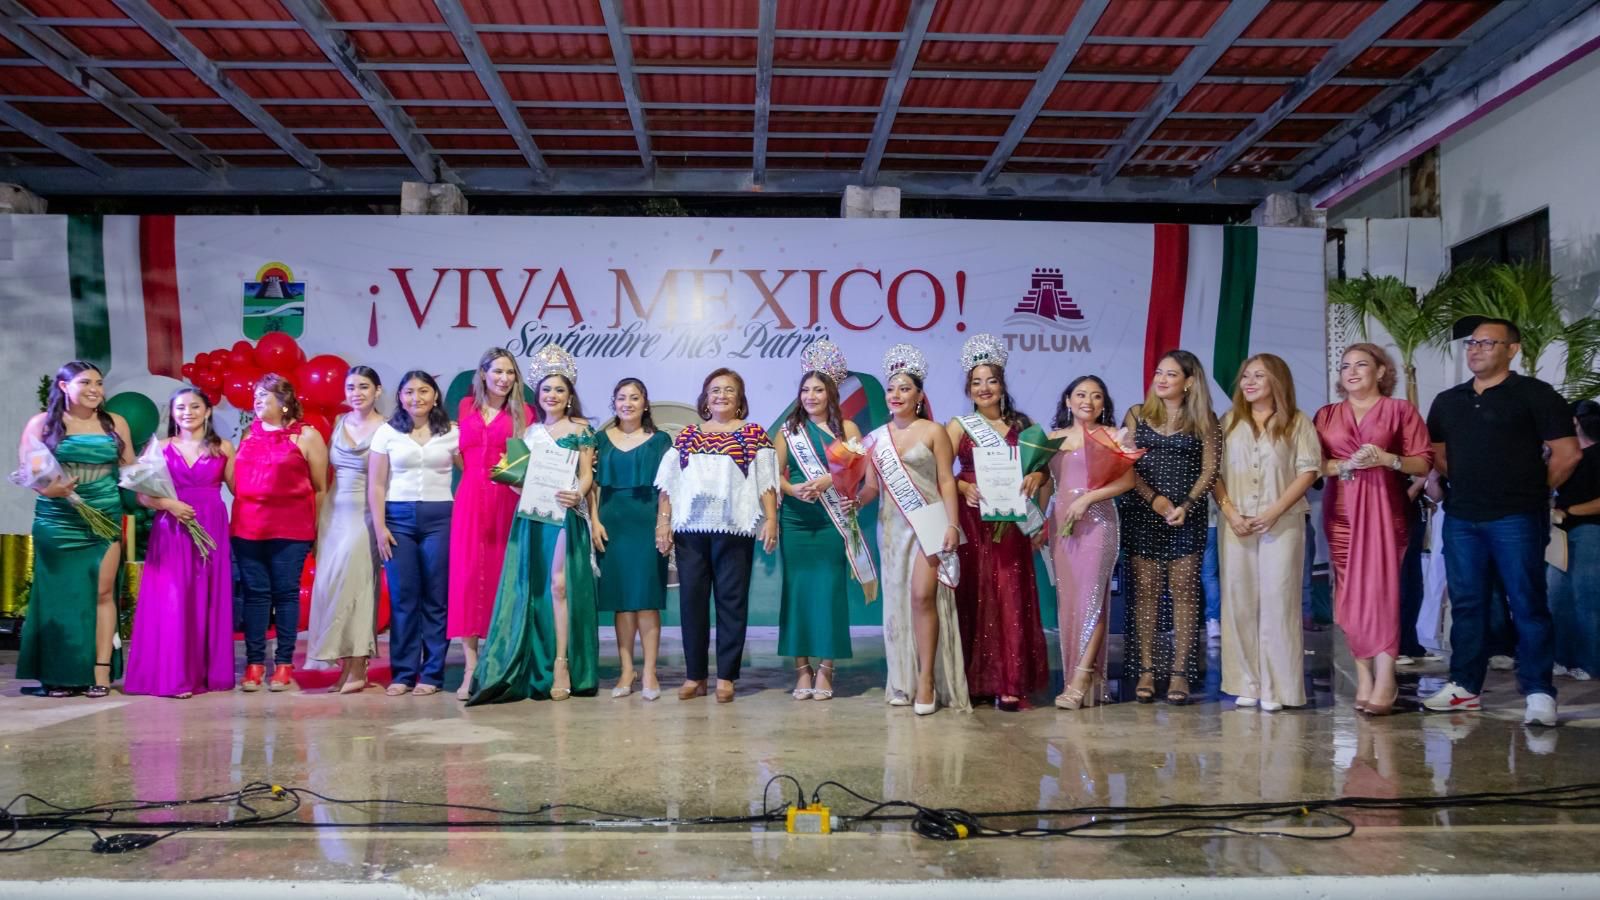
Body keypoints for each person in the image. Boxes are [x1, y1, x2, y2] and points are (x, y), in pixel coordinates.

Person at [1423, 318, 1580, 727]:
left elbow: (1567, 453)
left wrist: (1533, 490)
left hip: (1516, 516)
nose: (1475, 349)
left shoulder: (1535, 395)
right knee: (1468, 603)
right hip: (1462, 517)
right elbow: (1439, 455)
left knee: (1527, 601)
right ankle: (1464, 686)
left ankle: (1539, 691)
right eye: (1471, 343)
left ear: (1512, 350)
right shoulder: (1448, 400)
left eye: (1487, 343)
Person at [469, 345, 598, 704]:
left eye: (559, 389)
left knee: (559, 586)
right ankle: (534, 660)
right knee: (535, 589)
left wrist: (577, 492)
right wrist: (514, 481)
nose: (552, 395)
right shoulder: (528, 433)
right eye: (546, 390)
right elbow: (517, 477)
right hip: (533, 518)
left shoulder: (582, 430)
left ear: (569, 395)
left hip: (565, 515)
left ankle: (562, 663)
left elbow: (588, 476)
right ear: (536, 396)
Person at [1313, 343, 1433, 716]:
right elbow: (1314, 464)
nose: (1351, 372)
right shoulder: (1327, 415)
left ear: (1381, 371)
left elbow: (1423, 462)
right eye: (1345, 365)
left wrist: (1387, 459)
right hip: (1342, 512)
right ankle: (1363, 675)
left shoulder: (1400, 411)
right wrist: (1341, 465)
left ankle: (1386, 677)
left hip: (1386, 509)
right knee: (1348, 597)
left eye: (1361, 365)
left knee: (1382, 594)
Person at [654, 367, 779, 704]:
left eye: (728, 390)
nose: (721, 395)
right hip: (690, 531)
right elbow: (668, 486)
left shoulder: (753, 435)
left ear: (740, 399)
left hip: (734, 529)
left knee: (731, 601)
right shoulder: (688, 436)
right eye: (714, 390)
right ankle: (695, 675)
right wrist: (663, 523)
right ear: (705, 398)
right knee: (691, 602)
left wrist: (771, 519)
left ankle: (726, 676)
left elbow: (767, 481)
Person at [857, 344, 970, 715]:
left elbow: (946, 481)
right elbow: (873, 487)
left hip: (929, 521)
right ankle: (901, 681)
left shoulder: (934, 431)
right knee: (896, 603)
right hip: (891, 528)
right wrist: (854, 500)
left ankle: (927, 679)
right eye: (891, 388)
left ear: (919, 395)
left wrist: (952, 524)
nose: (896, 395)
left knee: (923, 597)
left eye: (905, 388)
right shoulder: (875, 439)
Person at [16, 360, 135, 698]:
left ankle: (100, 671)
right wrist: (47, 489)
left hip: (105, 517)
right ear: (64, 386)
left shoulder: (115, 423)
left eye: (99, 382)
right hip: (58, 519)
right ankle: (60, 673)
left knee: (103, 592)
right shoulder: (42, 423)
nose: (95, 389)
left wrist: (157, 492)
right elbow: (28, 470)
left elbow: (131, 471)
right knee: (60, 597)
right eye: (85, 382)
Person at [946, 333, 1049, 711]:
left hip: (1013, 523)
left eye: (991, 380)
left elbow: (1043, 474)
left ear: (1002, 384)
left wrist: (1039, 481)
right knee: (974, 592)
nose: (984, 387)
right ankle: (975, 681)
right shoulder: (957, 426)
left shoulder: (1025, 426)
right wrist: (961, 487)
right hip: (973, 519)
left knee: (1009, 592)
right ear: (968, 388)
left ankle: (1010, 680)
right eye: (976, 381)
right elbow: (941, 475)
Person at [1213, 354, 1320, 712]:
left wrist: (1275, 510)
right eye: (1245, 376)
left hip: (1283, 521)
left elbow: (1308, 471)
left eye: (1258, 375)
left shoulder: (1298, 422)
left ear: (1278, 380)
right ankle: (1246, 682)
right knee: (1239, 600)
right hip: (1237, 523)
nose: (1249, 382)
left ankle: (1279, 687)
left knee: (1279, 600)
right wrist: (1230, 512)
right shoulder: (1227, 422)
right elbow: (1213, 473)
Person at [1121, 349, 1221, 705]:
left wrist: (1186, 505)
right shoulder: (1137, 414)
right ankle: (1147, 670)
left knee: (1184, 591)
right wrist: (1156, 502)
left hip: (1186, 516)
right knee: (1146, 592)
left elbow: (1211, 469)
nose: (1161, 380)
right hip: (1145, 513)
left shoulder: (1205, 419)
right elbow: (1125, 465)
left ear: (1189, 382)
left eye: (1171, 374)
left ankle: (1180, 672)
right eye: (1158, 373)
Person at [124, 387, 235, 698]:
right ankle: (175, 676)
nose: (188, 412)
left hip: (211, 526)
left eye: (195, 406)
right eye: (181, 407)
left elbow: (240, 488)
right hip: (172, 528)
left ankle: (207, 673)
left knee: (205, 596)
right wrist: (169, 506)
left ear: (208, 411)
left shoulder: (224, 447)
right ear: (172, 413)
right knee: (174, 598)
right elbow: (142, 494)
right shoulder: (158, 448)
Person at [775, 341, 866, 702]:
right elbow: (773, 476)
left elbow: (857, 472)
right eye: (805, 389)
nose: (811, 395)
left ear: (831, 394)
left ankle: (827, 669)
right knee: (796, 592)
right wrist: (793, 490)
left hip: (832, 520)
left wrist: (831, 479)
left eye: (818, 390)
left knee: (830, 592)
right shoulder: (788, 430)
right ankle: (801, 671)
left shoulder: (848, 428)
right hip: (796, 520)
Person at [1043, 375, 1134, 710]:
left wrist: (1089, 498)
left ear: (1103, 403)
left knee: (1094, 599)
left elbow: (1128, 479)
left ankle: (1082, 680)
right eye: (1081, 395)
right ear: (1068, 400)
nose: (1088, 401)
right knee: (1070, 603)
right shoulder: (1053, 438)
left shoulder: (1113, 437)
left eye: (1096, 396)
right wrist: (1037, 518)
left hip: (1098, 522)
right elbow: (1044, 481)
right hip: (1061, 525)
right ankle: (1074, 678)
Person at [233, 373, 328, 692]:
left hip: (291, 528)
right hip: (248, 527)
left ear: (285, 403)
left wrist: (317, 531)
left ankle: (284, 664)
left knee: (286, 594)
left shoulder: (307, 436)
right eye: (255, 395)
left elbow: (319, 488)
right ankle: (255, 663)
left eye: (265, 395)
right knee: (255, 595)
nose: (257, 400)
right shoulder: (248, 433)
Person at [448, 348, 532, 700]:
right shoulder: (465, 407)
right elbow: (459, 454)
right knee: (467, 581)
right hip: (469, 501)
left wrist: (501, 480)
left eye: (510, 372)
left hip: (505, 502)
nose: (503, 378)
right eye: (497, 371)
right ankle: (470, 667)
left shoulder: (523, 412)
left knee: (502, 580)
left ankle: (498, 665)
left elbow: (519, 466)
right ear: (483, 373)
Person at [369, 370, 458, 697]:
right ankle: (404, 673)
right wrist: (380, 528)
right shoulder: (386, 433)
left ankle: (432, 674)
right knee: (405, 599)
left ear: (435, 396)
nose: (416, 398)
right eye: (409, 392)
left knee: (436, 599)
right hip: (398, 520)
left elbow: (475, 472)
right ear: (400, 397)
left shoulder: (452, 433)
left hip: (441, 519)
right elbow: (377, 484)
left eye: (424, 391)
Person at [306, 366, 385, 694]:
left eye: (364, 386)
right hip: (334, 513)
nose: (356, 393)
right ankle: (345, 666)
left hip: (365, 512)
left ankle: (358, 666)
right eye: (351, 386)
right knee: (332, 587)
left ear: (377, 391)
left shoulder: (387, 428)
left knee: (358, 587)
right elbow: (323, 476)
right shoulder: (339, 423)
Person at [591, 377, 671, 701]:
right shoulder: (599, 439)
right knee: (622, 601)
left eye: (634, 398)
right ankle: (626, 669)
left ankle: (650, 670)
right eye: (621, 398)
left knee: (646, 600)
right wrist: (594, 520)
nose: (627, 403)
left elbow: (668, 486)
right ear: (614, 403)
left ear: (645, 403)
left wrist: (663, 523)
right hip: (612, 525)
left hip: (647, 524)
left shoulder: (661, 440)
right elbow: (592, 484)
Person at [1550, 400, 1600, 682]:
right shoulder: (1569, 457)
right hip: (1562, 534)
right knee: (1557, 597)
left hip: (1590, 530)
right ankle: (1561, 656)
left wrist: (1568, 511)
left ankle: (1589, 662)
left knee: (1587, 598)